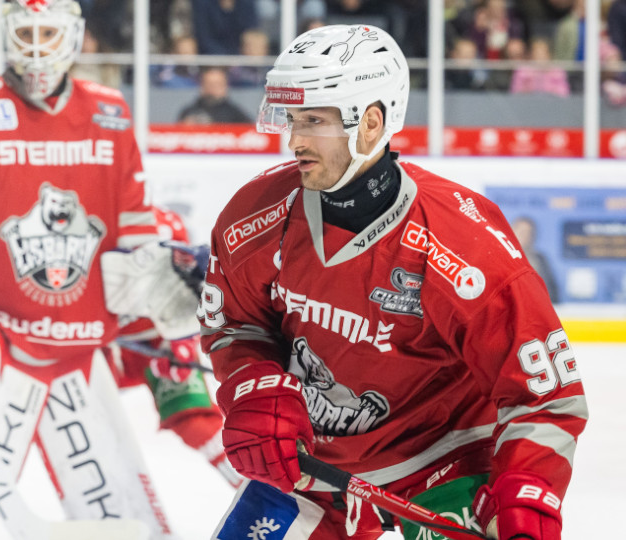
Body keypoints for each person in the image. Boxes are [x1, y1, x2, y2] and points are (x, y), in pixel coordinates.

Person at [201, 24, 587, 539]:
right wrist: (256, 387)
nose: (293, 140)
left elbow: (545, 393)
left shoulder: (463, 244)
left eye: (313, 121)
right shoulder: (256, 216)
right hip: (313, 466)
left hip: (445, 464)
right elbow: (234, 325)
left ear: (371, 123)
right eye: (292, 121)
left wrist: (526, 488)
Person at [0, 1, 199, 537]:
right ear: (6, 34)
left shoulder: (109, 110)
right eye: (26, 31)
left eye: (49, 31)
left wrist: (166, 310)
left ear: (76, 36)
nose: (37, 45)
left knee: (132, 523)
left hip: (81, 352)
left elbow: (136, 241)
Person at [108, 207, 242, 489]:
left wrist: (180, 341)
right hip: (97, 342)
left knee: (194, 420)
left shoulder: (165, 224)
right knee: (87, 419)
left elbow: (189, 289)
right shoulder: (88, 224)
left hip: (159, 337)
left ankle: (254, 486)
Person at [177, 66, 253, 124]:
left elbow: (250, 134)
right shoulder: (190, 111)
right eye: (209, 84)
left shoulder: (235, 114)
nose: (213, 88)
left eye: (217, 84)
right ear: (202, 85)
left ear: (225, 86)